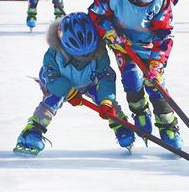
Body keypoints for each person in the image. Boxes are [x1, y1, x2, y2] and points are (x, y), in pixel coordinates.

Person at [88, 0, 182, 149]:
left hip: (149, 46)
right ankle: (139, 112)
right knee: (131, 78)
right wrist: (109, 32)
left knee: (155, 86)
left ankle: (168, 124)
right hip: (123, 45)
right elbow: (96, 15)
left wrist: (156, 66)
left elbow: (164, 35)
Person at [13, 12, 135, 155]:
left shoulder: (100, 51)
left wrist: (106, 100)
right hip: (60, 85)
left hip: (89, 83)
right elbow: (50, 77)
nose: (84, 58)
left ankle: (120, 125)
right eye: (78, 55)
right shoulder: (54, 54)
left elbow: (105, 76)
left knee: (107, 102)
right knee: (51, 102)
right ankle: (32, 131)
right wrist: (67, 91)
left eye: (88, 54)